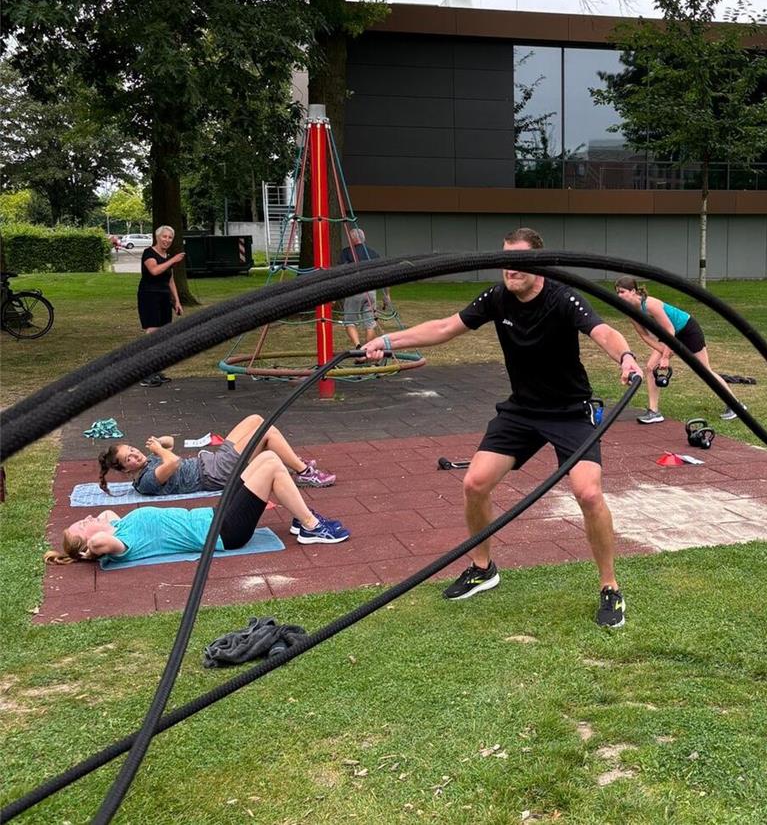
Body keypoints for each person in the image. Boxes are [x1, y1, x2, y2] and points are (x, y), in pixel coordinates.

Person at [363, 227, 643, 627]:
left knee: (588, 493)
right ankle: (483, 567)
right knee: (474, 483)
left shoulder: (563, 298)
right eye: (505, 259)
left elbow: (604, 331)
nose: (510, 268)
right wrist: (387, 340)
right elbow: (445, 328)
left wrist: (626, 358)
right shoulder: (498, 298)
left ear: (539, 264)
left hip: (569, 411)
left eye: (520, 260)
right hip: (522, 411)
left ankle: (610, 587)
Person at [47, 452, 350, 567]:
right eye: (81, 525)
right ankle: (312, 527)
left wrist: (92, 526)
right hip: (224, 533)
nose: (86, 518)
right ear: (89, 544)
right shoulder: (115, 544)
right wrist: (86, 553)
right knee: (270, 464)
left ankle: (302, 520)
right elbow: (100, 542)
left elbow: (106, 517)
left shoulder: (118, 526)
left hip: (215, 516)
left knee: (264, 458)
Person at [97, 413, 335, 497]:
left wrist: (158, 443)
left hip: (212, 462)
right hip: (214, 473)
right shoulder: (146, 481)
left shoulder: (148, 462)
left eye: (132, 450)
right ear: (126, 470)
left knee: (255, 420)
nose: (135, 455)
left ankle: (294, 463)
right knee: (267, 431)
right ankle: (305, 473)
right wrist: (159, 450)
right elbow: (175, 461)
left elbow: (170, 442)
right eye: (129, 458)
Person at [613, 276, 744, 424]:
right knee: (650, 368)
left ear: (633, 291)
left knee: (704, 371)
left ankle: (736, 406)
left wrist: (666, 357)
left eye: (622, 292)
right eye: (617, 292)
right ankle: (654, 412)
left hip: (687, 330)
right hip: (669, 335)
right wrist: (663, 351)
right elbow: (644, 335)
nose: (619, 296)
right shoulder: (630, 312)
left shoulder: (650, 304)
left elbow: (670, 329)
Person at [137, 225, 184, 387]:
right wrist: (173, 260)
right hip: (149, 296)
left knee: (163, 336)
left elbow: (170, 279)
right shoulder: (148, 253)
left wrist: (176, 301)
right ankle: (145, 374)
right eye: (164, 237)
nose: (167, 240)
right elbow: (155, 271)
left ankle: (156, 371)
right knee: (153, 334)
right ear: (157, 237)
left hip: (164, 298)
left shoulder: (167, 255)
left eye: (170, 237)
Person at [339, 228, 392, 363]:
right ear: (364, 238)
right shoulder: (373, 254)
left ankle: (358, 347)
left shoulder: (346, 253)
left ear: (352, 239)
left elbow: (341, 273)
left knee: (350, 321)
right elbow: (384, 275)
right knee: (370, 323)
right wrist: (387, 295)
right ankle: (367, 351)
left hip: (354, 290)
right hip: (370, 291)